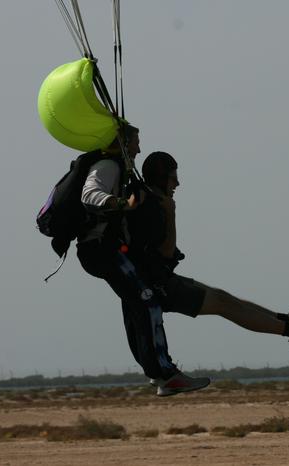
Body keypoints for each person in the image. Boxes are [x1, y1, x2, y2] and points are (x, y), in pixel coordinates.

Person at [126, 151, 289, 368]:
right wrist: (171, 215)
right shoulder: (157, 206)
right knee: (225, 305)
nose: (178, 183)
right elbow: (167, 253)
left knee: (225, 298)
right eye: (173, 177)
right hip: (157, 286)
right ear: (161, 178)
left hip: (160, 278)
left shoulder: (151, 198)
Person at [76, 126, 210, 396]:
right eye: (135, 143)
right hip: (101, 249)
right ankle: (165, 375)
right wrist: (122, 204)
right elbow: (89, 194)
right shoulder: (108, 166)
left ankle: (156, 372)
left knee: (137, 303)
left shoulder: (121, 169)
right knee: (147, 301)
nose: (138, 148)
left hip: (108, 249)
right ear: (123, 144)